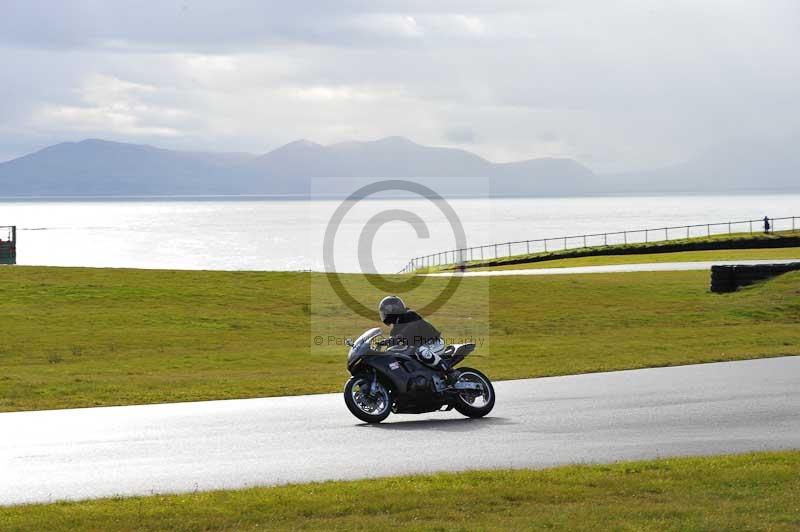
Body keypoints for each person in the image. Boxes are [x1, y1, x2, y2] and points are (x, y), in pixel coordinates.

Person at [378, 295, 449, 375]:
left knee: (420, 352)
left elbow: (410, 328)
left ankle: (450, 373)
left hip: (434, 343)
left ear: (394, 310)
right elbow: (392, 343)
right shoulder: (395, 328)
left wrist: (399, 337)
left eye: (386, 312)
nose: (384, 314)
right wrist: (381, 347)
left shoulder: (410, 315)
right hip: (421, 347)